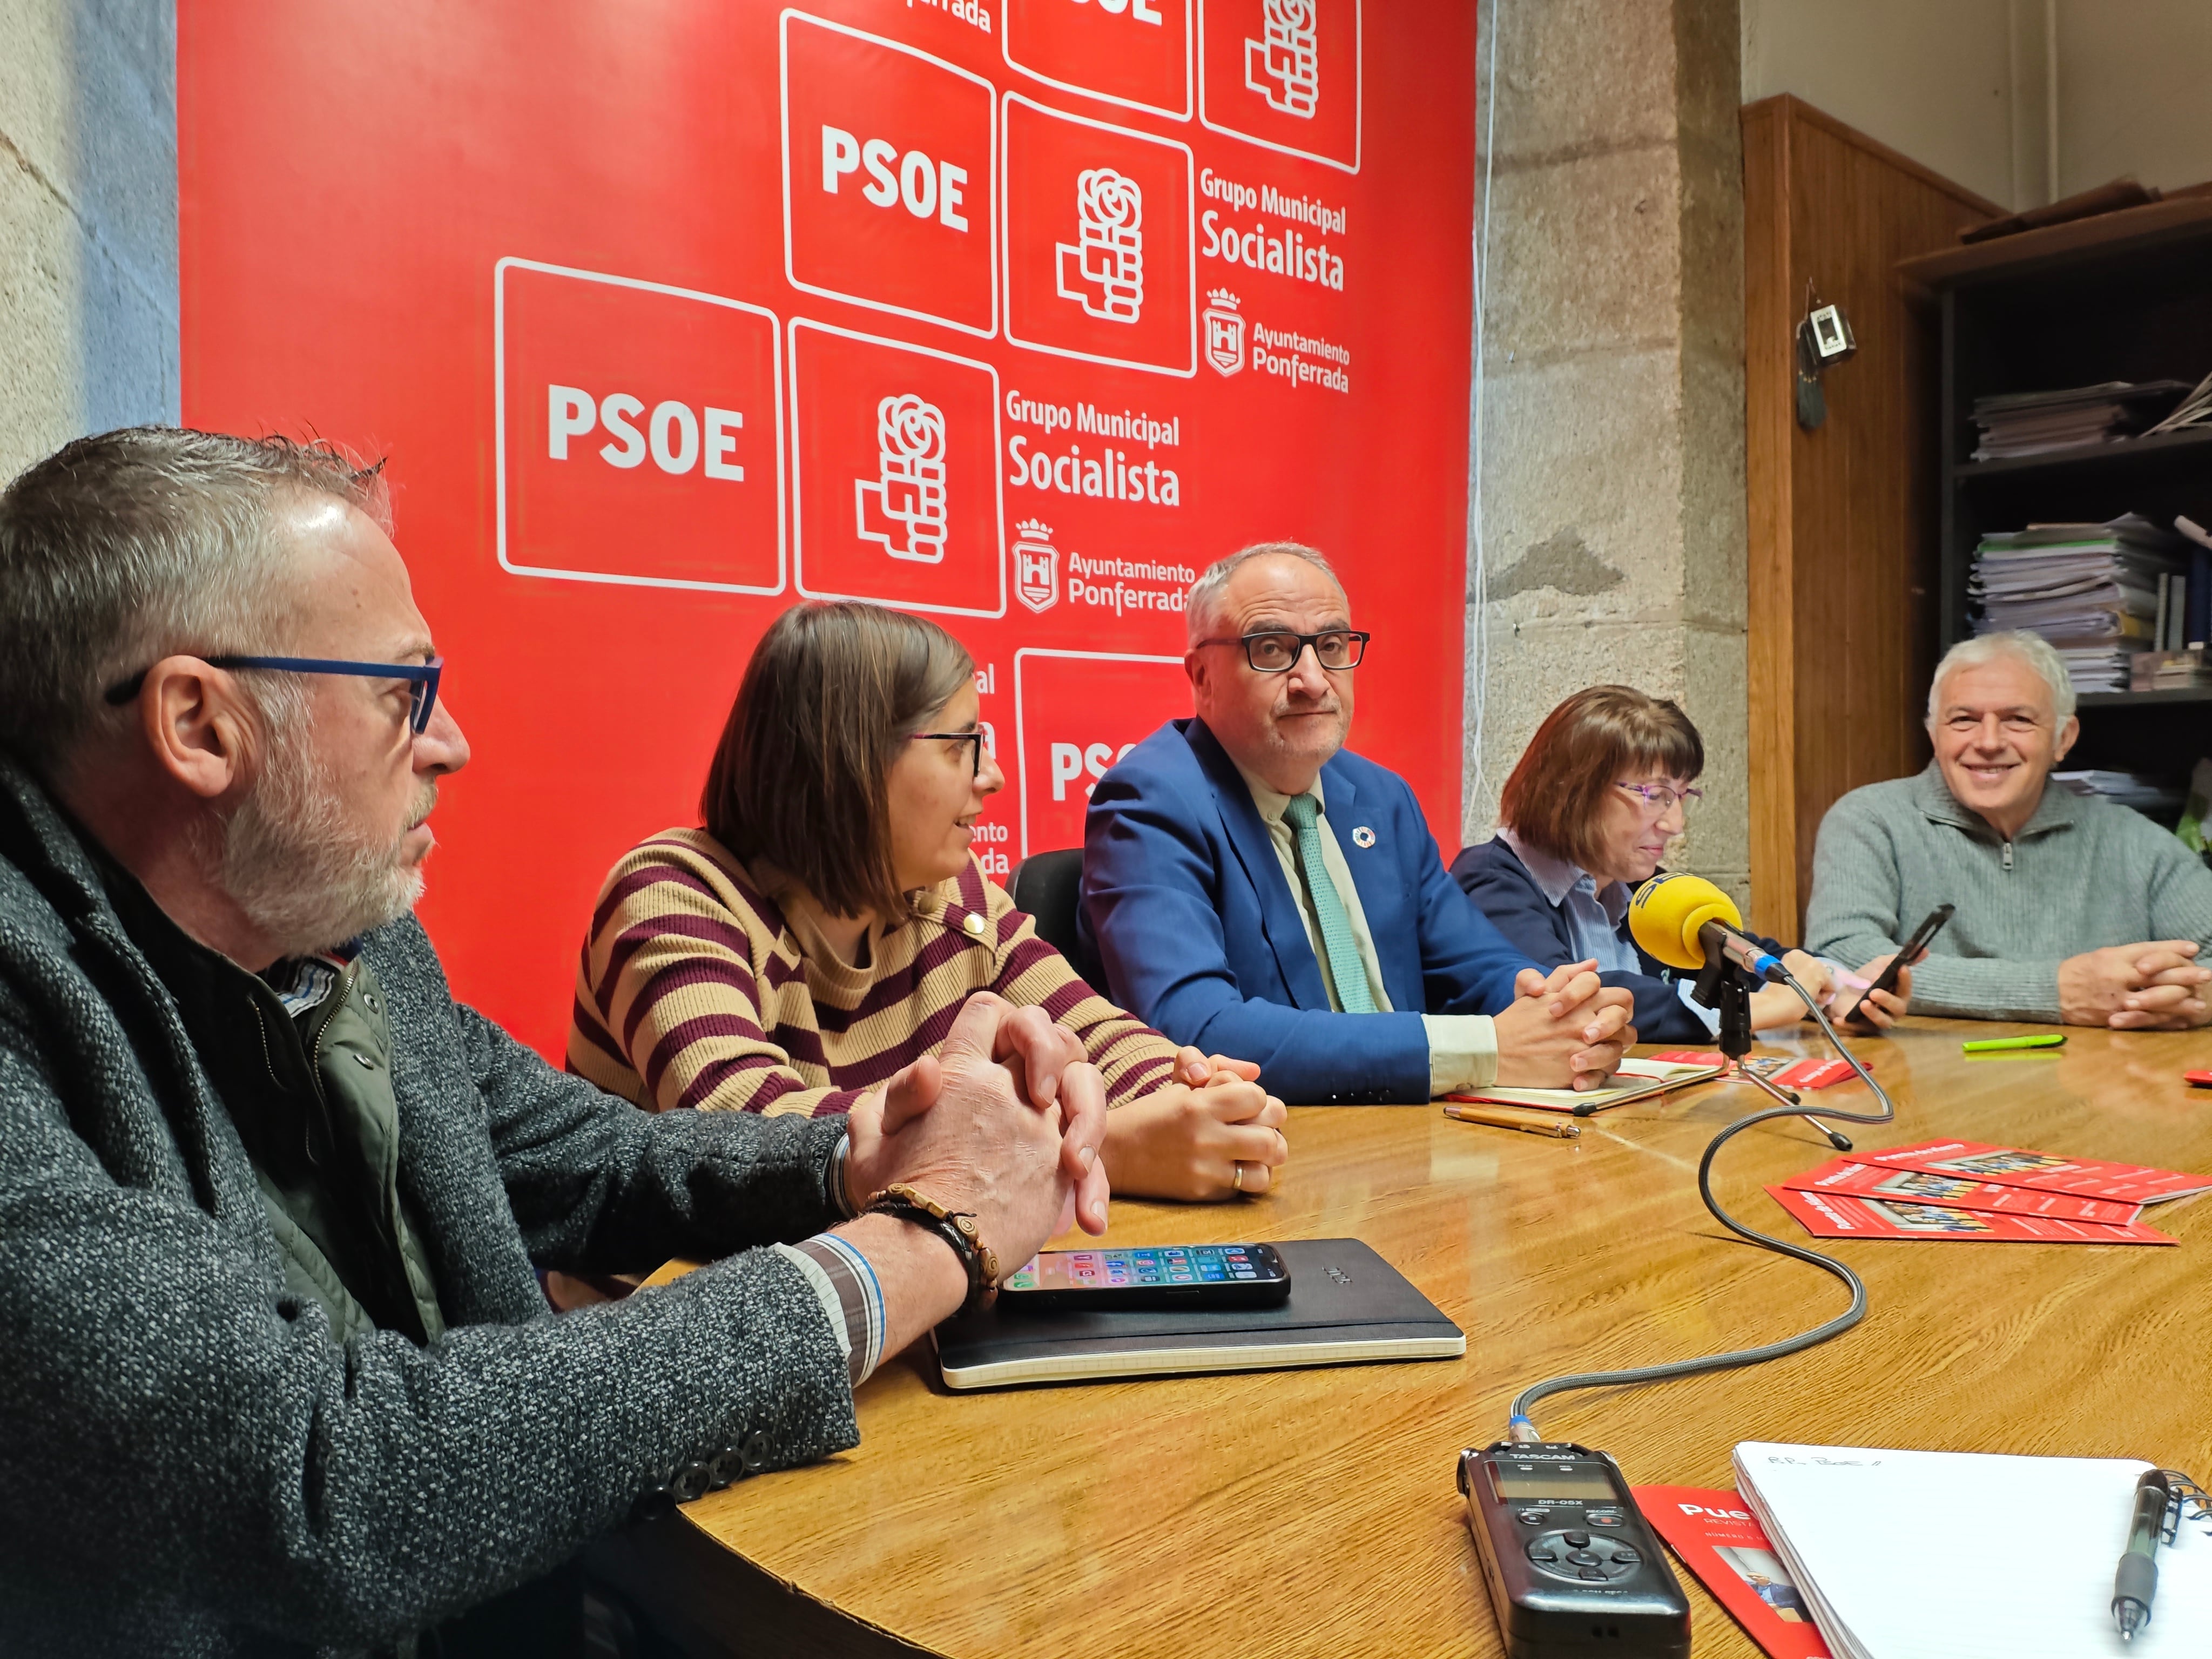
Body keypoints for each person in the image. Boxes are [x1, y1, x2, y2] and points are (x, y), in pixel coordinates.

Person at [0, 428, 1110, 1656]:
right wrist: (920, 1241)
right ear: (202, 724)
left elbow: (602, 1159)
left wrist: (852, 1157)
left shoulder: (347, 942)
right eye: (400, 690)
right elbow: (316, 1483)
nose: (449, 740)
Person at [571, 601, 1290, 1202]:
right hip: (673, 1331)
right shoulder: (673, 899)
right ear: (848, 758)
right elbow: (748, 1145)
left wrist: (1190, 1089)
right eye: (962, 746)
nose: (994, 778)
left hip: (876, 1294)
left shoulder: (950, 894)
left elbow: (1095, 1032)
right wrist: (1093, 1150)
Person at [1078, 541, 1637, 1104]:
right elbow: (1195, 1031)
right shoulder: (1150, 802)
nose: (1313, 680)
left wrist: (1557, 1009)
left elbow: (1475, 962)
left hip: (1425, 1134)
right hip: (1282, 1148)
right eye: (1271, 650)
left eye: (1330, 646)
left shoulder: (1380, 798)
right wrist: (1486, 1046)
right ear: (1201, 677)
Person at [1452, 685, 1911, 1043]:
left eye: (1683, 796)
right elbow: (1568, 998)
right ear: (1574, 790)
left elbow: (1739, 953)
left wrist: (1836, 986)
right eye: (1657, 797)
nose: (1675, 825)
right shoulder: (1493, 879)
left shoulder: (1641, 886)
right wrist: (1757, 1010)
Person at [1805, 630, 2212, 1027]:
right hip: (1926, 1086)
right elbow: (1841, 958)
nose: (1988, 742)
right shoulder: (1871, 819)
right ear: (1934, 735)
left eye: (2018, 720)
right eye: (1963, 719)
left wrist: (2195, 998)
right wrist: (2055, 992)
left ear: (2063, 738)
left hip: (2100, 1085)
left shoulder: (2136, 843)